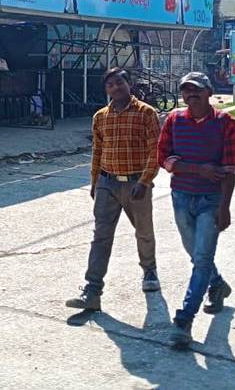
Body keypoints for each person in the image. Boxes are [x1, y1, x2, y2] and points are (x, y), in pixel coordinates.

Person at [66, 68, 162, 312]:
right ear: (106, 89)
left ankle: (149, 272)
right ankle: (92, 289)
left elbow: (156, 151)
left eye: (120, 83)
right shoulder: (100, 117)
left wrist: (145, 181)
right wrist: (95, 182)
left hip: (136, 183)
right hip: (107, 183)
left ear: (129, 84)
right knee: (101, 237)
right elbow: (98, 151)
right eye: (110, 85)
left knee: (143, 231)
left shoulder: (145, 113)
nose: (115, 88)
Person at [157, 71, 235, 348]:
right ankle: (216, 285)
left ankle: (184, 319)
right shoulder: (174, 120)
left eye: (196, 90)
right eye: (186, 91)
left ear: (209, 93)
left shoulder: (228, 124)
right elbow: (163, 158)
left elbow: (229, 170)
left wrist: (225, 208)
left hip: (212, 200)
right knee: (194, 252)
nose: (191, 96)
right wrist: (197, 169)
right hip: (181, 196)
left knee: (202, 258)